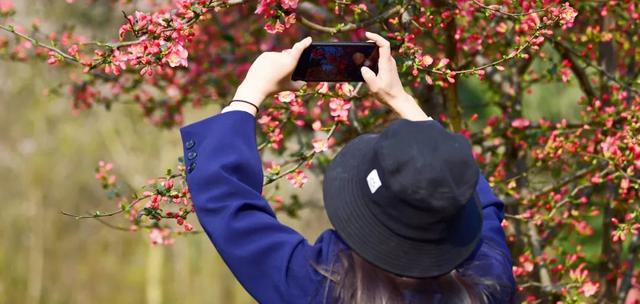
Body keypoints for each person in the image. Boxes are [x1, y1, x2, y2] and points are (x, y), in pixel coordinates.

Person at [179, 31, 517, 303]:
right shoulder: (488, 285)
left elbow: (229, 207)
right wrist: (401, 99)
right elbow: (469, 195)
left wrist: (251, 91)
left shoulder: (321, 288)